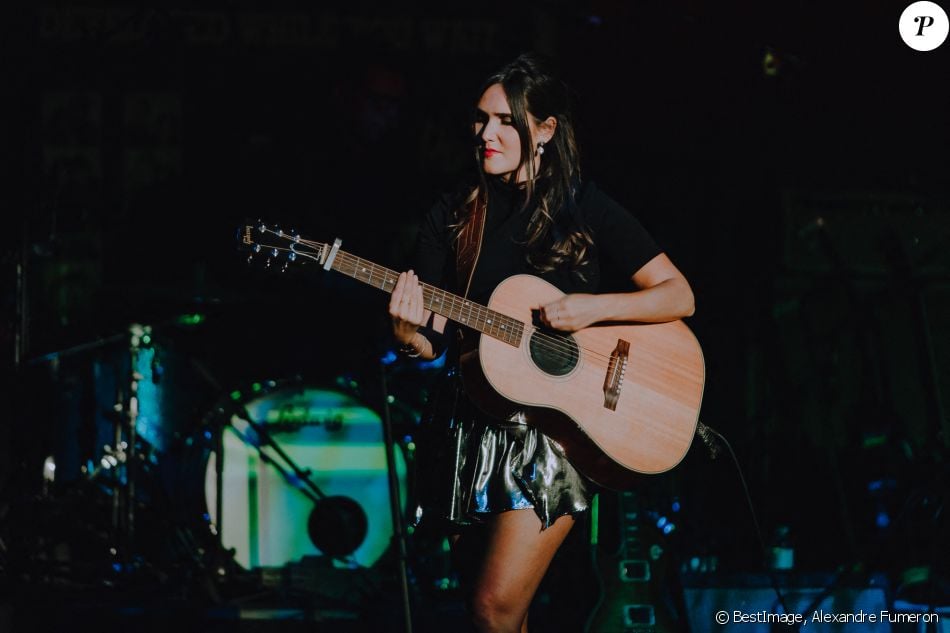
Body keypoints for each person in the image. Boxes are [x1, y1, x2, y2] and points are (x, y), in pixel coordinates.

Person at [387, 53, 695, 633]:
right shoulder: (452, 216)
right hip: (464, 430)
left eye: (507, 121)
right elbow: (432, 342)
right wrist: (408, 337)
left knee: (492, 609)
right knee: (503, 615)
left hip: (550, 439)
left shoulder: (584, 208)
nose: (487, 134)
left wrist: (591, 309)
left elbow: (678, 295)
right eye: (480, 120)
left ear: (546, 130)